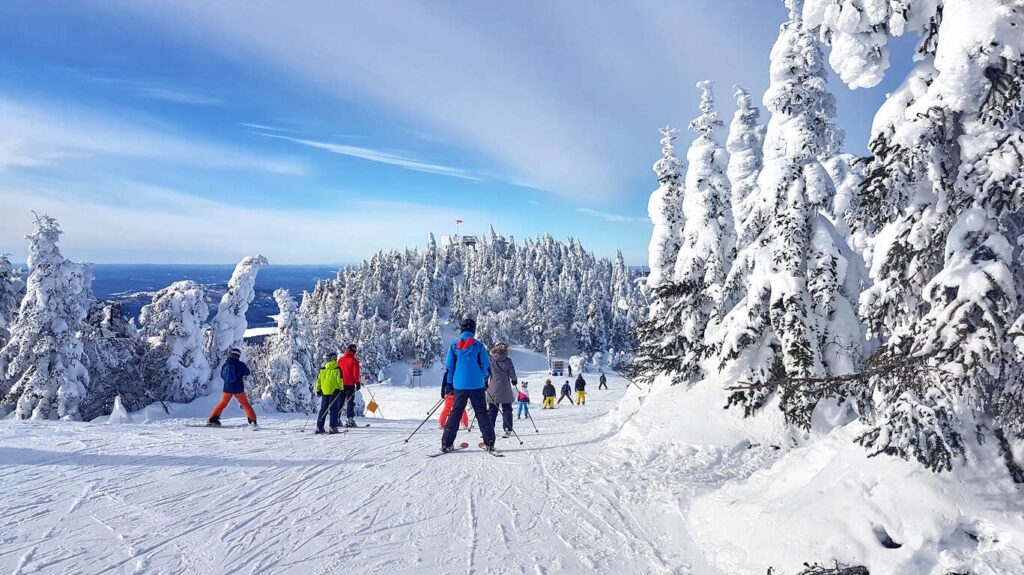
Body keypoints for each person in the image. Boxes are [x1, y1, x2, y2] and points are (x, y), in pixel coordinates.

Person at [441, 318, 497, 452]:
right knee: (482, 412)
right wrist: (483, 379)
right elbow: (486, 366)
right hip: (477, 384)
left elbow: (450, 367)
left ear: (462, 329)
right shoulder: (478, 345)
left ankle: (446, 443)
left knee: (455, 412)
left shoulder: (454, 346)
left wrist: (449, 384)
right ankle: (489, 442)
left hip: (459, 384)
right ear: (473, 330)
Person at [207, 348, 258, 428]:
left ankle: (212, 419)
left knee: (222, 403)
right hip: (238, 389)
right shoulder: (240, 364)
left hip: (227, 389)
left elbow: (222, 376)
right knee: (245, 404)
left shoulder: (225, 364)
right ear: (238, 355)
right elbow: (247, 372)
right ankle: (252, 421)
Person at [487, 343, 517, 438]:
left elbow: (486, 373)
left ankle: (489, 429)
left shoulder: (491, 360)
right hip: (505, 387)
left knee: (492, 410)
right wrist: (514, 380)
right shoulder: (508, 360)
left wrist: (484, 382)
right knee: (507, 409)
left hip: (493, 386)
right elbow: (512, 372)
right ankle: (507, 428)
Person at [314, 352, 344, 434]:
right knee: (333, 410)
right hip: (334, 391)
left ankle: (319, 427)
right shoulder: (337, 368)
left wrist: (318, 390)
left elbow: (319, 381)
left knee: (323, 409)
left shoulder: (323, 369)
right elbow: (339, 380)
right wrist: (341, 388)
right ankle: (333, 427)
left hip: (324, 391)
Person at [338, 344, 362, 428]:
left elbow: (338, 372)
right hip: (350, 384)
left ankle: (336, 418)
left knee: (340, 402)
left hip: (341, 384)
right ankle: (349, 420)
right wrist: (357, 382)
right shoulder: (354, 360)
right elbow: (356, 373)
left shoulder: (341, 360)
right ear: (354, 351)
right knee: (350, 402)